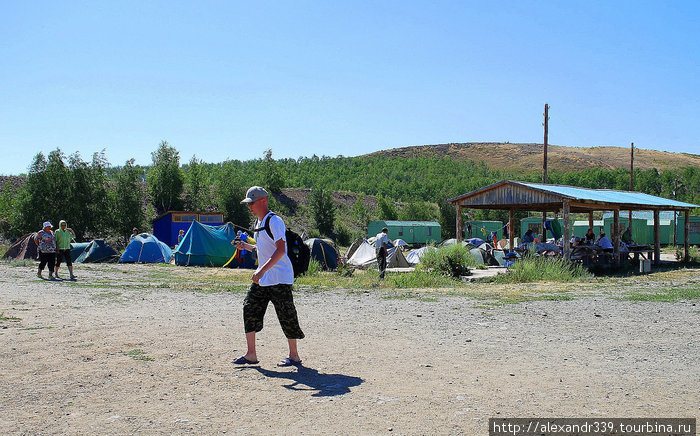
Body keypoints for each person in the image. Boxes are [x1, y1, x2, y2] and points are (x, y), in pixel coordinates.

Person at [232, 186, 305, 367]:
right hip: (264, 278)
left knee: (286, 315)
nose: (249, 207)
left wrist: (261, 270)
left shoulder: (274, 221)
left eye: (252, 203)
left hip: (279, 277)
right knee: (249, 308)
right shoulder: (259, 223)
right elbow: (264, 249)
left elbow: (281, 250)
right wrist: (246, 247)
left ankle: (294, 356)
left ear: (263, 201)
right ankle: (251, 354)